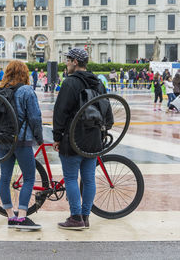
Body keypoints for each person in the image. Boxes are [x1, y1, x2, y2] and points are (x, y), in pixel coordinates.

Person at [52, 48, 108, 230]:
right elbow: (106, 109)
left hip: (72, 138)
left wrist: (57, 136)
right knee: (89, 179)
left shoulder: (70, 83)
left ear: (75, 62)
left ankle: (75, 217)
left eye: (68, 60)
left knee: (70, 178)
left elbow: (60, 111)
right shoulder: (98, 82)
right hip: (93, 139)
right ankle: (85, 216)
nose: (66, 63)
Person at [0, 60, 43, 230]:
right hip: (22, 140)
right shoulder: (26, 91)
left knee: (5, 177)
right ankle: (22, 217)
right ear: (24, 73)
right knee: (29, 177)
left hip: (3, 140)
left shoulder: (0, 90)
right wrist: (39, 137)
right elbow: (35, 117)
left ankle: (11, 216)